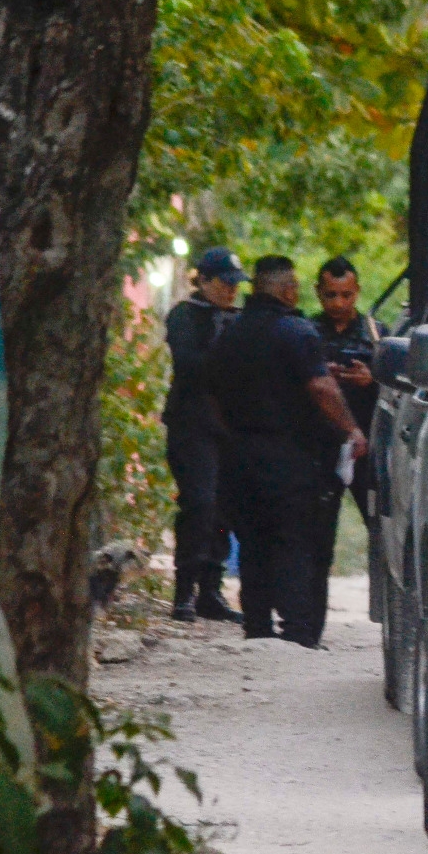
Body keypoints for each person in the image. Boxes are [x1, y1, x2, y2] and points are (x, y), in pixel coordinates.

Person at [207, 256, 368, 648]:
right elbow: (322, 389)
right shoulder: (298, 332)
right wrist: (351, 429)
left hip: (239, 454)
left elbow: (211, 393)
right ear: (289, 291)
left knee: (253, 542)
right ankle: (297, 631)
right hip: (290, 455)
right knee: (295, 542)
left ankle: (257, 626)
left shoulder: (229, 334)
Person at [162, 246, 248, 624]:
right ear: (206, 282)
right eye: (225, 283)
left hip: (231, 427)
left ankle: (210, 591)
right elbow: (189, 363)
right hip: (192, 425)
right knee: (199, 504)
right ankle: (184, 591)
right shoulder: (186, 315)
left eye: (235, 284)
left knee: (224, 508)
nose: (231, 291)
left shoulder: (239, 318)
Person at [310, 257, 388, 608]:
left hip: (366, 444)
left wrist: (373, 379)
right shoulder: (306, 332)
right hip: (320, 443)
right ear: (318, 294)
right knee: (317, 533)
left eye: (346, 295)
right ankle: (309, 616)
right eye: (330, 295)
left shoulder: (377, 334)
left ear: (357, 292)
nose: (339, 304)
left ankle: (384, 606)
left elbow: (402, 389)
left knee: (382, 527)